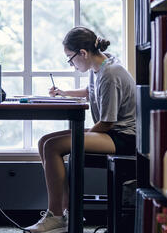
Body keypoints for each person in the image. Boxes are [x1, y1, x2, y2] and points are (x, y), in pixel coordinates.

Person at [25, 26, 136, 233]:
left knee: (52, 147)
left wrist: (83, 134)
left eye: (70, 58)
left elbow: (107, 123)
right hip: (111, 131)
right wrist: (64, 93)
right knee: (44, 142)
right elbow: (90, 91)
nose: (71, 64)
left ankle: (56, 216)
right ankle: (66, 213)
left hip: (123, 136)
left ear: (83, 53)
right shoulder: (101, 66)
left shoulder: (111, 73)